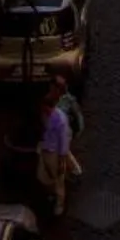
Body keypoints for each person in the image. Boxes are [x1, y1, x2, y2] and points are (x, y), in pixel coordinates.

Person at [36, 79, 77, 214]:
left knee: (58, 177)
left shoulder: (60, 120)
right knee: (44, 174)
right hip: (48, 146)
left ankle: (60, 202)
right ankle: (76, 169)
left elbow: (63, 144)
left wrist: (61, 161)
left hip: (55, 150)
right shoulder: (45, 115)